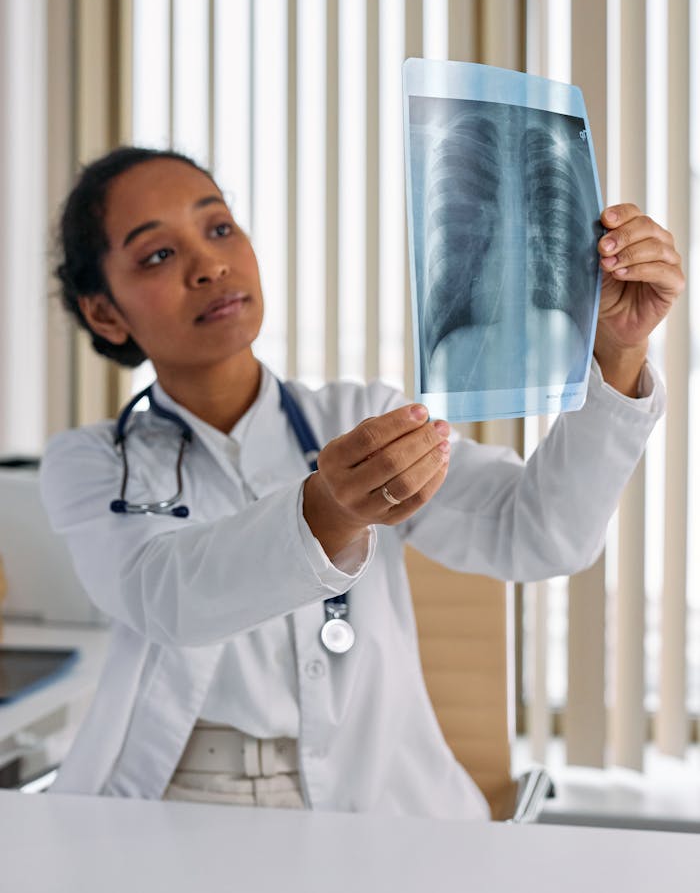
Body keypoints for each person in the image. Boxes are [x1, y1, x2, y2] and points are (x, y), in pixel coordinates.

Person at [40, 145, 683, 818]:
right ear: (106, 313)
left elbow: (539, 535)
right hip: (179, 800)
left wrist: (618, 354)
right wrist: (327, 511)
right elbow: (165, 599)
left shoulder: (359, 419)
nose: (209, 264)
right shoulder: (91, 463)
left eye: (219, 227)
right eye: (157, 256)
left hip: (372, 798)